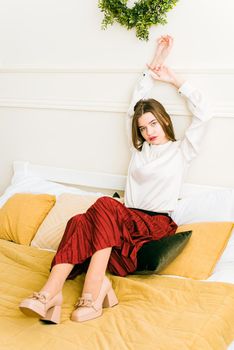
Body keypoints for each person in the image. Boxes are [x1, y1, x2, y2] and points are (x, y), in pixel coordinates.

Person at [19, 35, 211, 324]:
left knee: (105, 206)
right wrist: (153, 65)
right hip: (120, 229)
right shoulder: (140, 151)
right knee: (79, 222)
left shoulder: (181, 151)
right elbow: (133, 107)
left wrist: (173, 79)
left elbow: (205, 114)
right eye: (144, 128)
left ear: (166, 121)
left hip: (152, 226)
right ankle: (52, 293)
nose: (149, 132)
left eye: (154, 124)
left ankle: (90, 292)